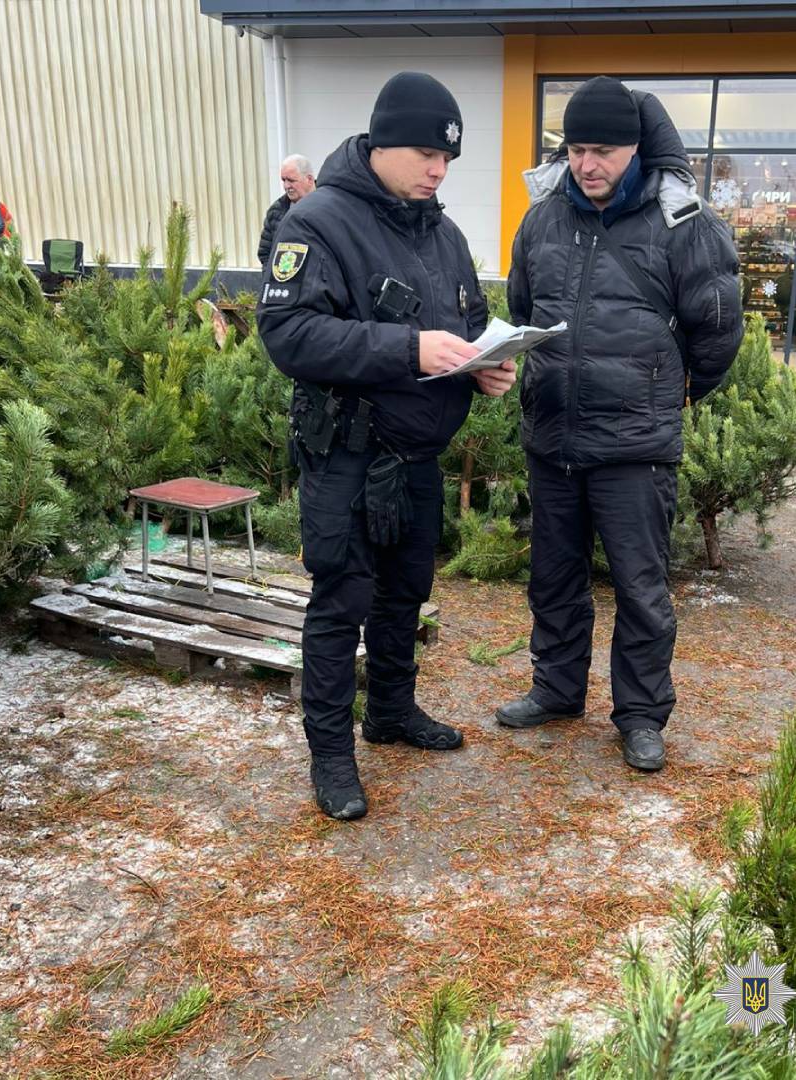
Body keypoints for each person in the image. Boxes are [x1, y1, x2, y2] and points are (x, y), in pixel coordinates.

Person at [256, 72, 516, 820]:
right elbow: (289, 333)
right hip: (347, 455)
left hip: (415, 458)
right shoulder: (319, 221)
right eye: (428, 154)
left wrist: (480, 368)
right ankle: (331, 757)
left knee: (406, 593)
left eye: (448, 160)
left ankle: (392, 713)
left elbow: (462, 325)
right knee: (342, 604)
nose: (439, 171)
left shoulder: (441, 229)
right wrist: (408, 349)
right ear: (382, 141)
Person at [496, 77, 743, 772]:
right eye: (576, 150)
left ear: (634, 149)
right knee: (552, 576)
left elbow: (718, 329)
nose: (586, 165)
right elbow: (524, 304)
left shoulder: (683, 223)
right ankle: (555, 688)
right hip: (553, 437)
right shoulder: (542, 218)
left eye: (601, 150)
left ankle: (639, 715)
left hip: (635, 448)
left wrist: (668, 395)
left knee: (639, 587)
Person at [257, 154, 316, 265]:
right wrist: (271, 279)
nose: (286, 186)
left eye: (291, 180)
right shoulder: (275, 212)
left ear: (309, 179)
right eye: (283, 180)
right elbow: (265, 253)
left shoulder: (329, 209)